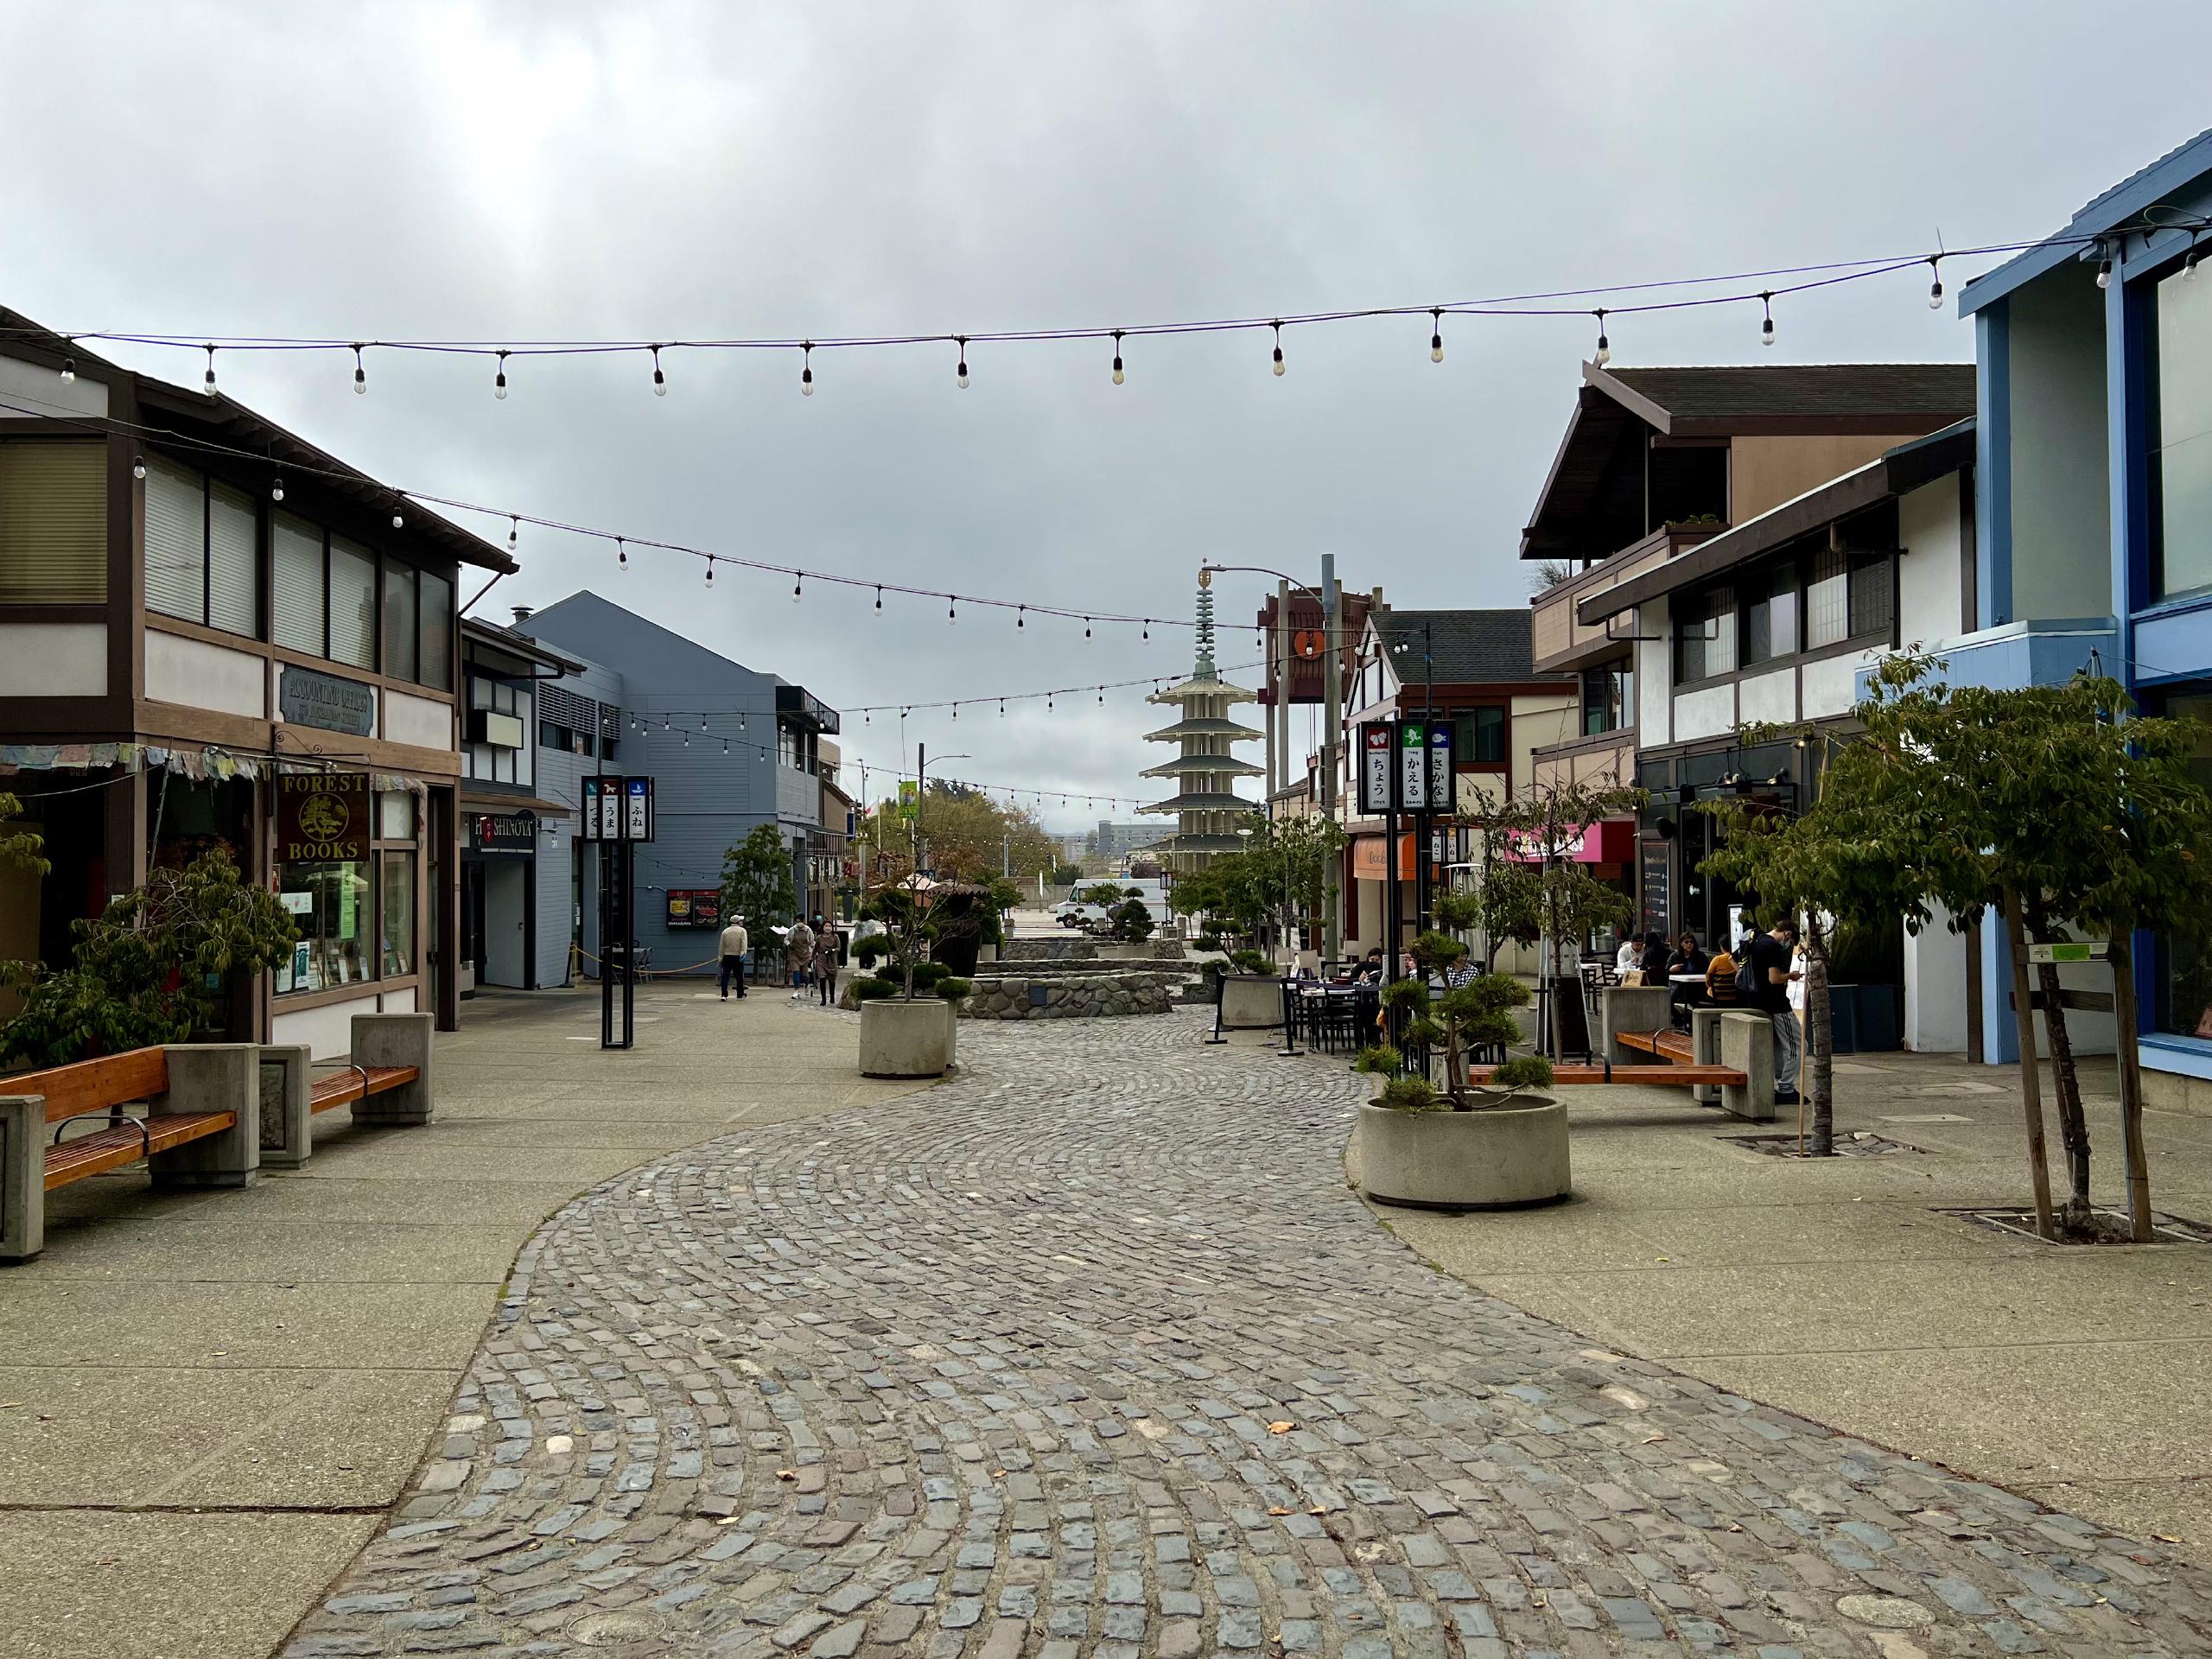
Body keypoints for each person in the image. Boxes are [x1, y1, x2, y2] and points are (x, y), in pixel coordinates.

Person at [1747, 914, 1802, 1104]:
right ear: (1787, 934)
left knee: (1778, 1046)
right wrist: (1791, 976)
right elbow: (1774, 978)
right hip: (1777, 1003)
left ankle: (1782, 1083)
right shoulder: (1773, 948)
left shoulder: (1758, 940)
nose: (1789, 945)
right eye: (1792, 941)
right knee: (1798, 1046)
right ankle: (1786, 1087)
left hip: (1758, 1001)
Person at [1666, 930, 1709, 1027]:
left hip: (1697, 986)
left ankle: (1689, 1021)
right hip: (1678, 986)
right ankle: (1680, 1022)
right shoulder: (1675, 956)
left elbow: (1707, 970)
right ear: (1681, 944)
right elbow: (1666, 972)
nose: (1689, 944)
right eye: (1686, 942)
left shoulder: (1700, 956)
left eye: (1692, 942)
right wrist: (1671, 969)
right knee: (1670, 1000)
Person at [718, 913, 749, 1000]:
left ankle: (724, 995)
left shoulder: (725, 931)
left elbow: (721, 946)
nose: (742, 922)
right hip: (738, 956)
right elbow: (744, 944)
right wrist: (743, 954)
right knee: (739, 976)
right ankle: (740, 994)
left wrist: (720, 958)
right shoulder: (742, 931)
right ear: (738, 922)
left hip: (727, 956)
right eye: (741, 921)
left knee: (725, 976)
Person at [785, 916, 815, 1001]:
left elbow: (812, 943)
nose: (798, 923)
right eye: (797, 921)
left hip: (805, 954)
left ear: (804, 921)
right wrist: (789, 944)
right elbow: (786, 939)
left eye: (800, 921)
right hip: (794, 954)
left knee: (805, 974)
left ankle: (806, 985)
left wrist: (812, 953)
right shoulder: (792, 930)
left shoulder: (808, 930)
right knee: (796, 972)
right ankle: (796, 990)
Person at [813, 919, 840, 1006]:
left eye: (829, 926)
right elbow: (815, 948)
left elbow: (838, 948)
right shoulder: (819, 938)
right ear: (823, 927)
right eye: (826, 926)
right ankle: (823, 999)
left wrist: (832, 950)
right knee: (822, 978)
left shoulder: (835, 937)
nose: (828, 928)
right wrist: (812, 957)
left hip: (832, 959)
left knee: (832, 979)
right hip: (821, 959)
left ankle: (832, 996)